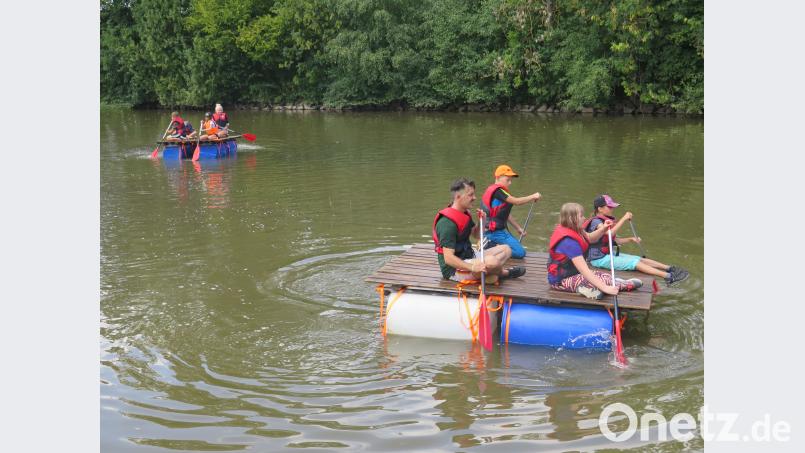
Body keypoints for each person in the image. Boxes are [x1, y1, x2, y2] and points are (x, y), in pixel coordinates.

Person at [433, 178, 526, 284]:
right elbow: (448, 258)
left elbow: (476, 235)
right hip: (454, 269)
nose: (474, 198)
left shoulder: (465, 213)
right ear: (458, 197)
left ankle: (491, 274)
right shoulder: (447, 223)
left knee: (506, 249)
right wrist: (472, 267)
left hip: (470, 256)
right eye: (470, 195)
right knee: (492, 261)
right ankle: (504, 273)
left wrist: (481, 220)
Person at [584, 194, 689, 286]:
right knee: (634, 263)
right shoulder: (596, 222)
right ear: (599, 209)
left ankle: (669, 268)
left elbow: (613, 240)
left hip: (607, 254)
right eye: (609, 207)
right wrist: (624, 219)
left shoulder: (605, 220)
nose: (612, 209)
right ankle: (669, 276)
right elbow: (610, 233)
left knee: (639, 259)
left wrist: (630, 239)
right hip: (597, 259)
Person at [547, 202, 643, 300]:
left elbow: (590, 238)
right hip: (560, 281)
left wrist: (603, 229)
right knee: (600, 283)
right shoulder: (568, 242)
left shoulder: (576, 229)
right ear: (572, 219)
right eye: (581, 216)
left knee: (604, 276)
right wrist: (606, 288)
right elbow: (584, 270)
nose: (584, 218)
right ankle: (617, 286)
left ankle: (608, 284)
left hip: (574, 274)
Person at [479, 164, 541, 259]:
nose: (510, 183)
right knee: (520, 253)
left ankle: (491, 245)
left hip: (495, 231)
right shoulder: (498, 191)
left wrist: (518, 228)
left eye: (510, 180)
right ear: (498, 177)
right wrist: (533, 196)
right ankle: (490, 246)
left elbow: (504, 214)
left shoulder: (499, 191)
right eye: (507, 180)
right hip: (494, 232)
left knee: (516, 249)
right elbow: (516, 202)